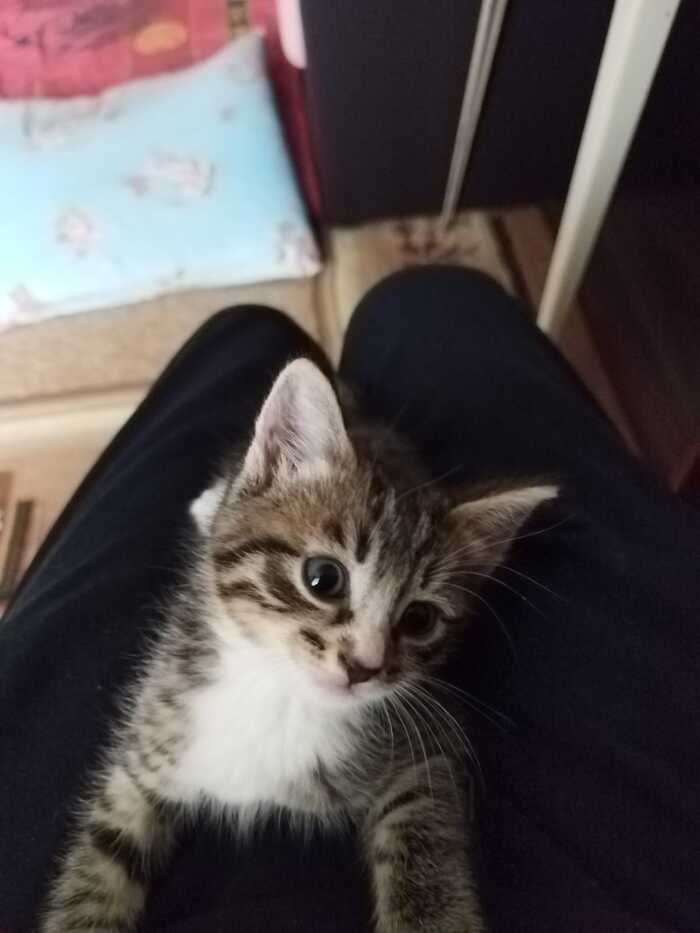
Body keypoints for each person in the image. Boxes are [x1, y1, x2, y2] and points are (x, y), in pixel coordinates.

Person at [1, 268, 698, 933]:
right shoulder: (177, 698)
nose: (368, 656)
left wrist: (424, 903)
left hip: (357, 482)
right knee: (406, 313)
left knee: (242, 336)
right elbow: (121, 820)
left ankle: (278, 340)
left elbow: (422, 770)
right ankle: (298, 398)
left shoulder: (379, 719)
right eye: (326, 581)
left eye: (415, 618)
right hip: (302, 486)